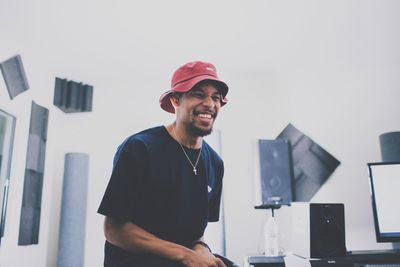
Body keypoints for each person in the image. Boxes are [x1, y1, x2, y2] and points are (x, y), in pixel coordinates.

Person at [98, 61, 237, 267]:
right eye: (199, 94)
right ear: (175, 100)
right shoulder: (139, 148)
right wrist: (187, 255)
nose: (210, 103)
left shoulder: (215, 163)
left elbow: (195, 233)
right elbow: (114, 230)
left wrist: (201, 249)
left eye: (215, 97)